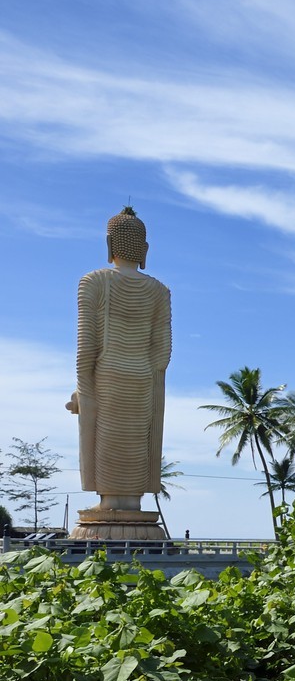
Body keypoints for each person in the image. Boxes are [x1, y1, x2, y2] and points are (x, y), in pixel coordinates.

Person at [67, 206, 171, 511]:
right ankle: (131, 504)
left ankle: (111, 502)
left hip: (108, 376)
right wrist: (149, 379)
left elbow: (86, 347)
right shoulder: (159, 291)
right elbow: (162, 352)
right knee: (135, 442)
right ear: (144, 249)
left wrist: (84, 391)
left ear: (109, 244)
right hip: (142, 378)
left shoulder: (94, 282)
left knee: (108, 443)